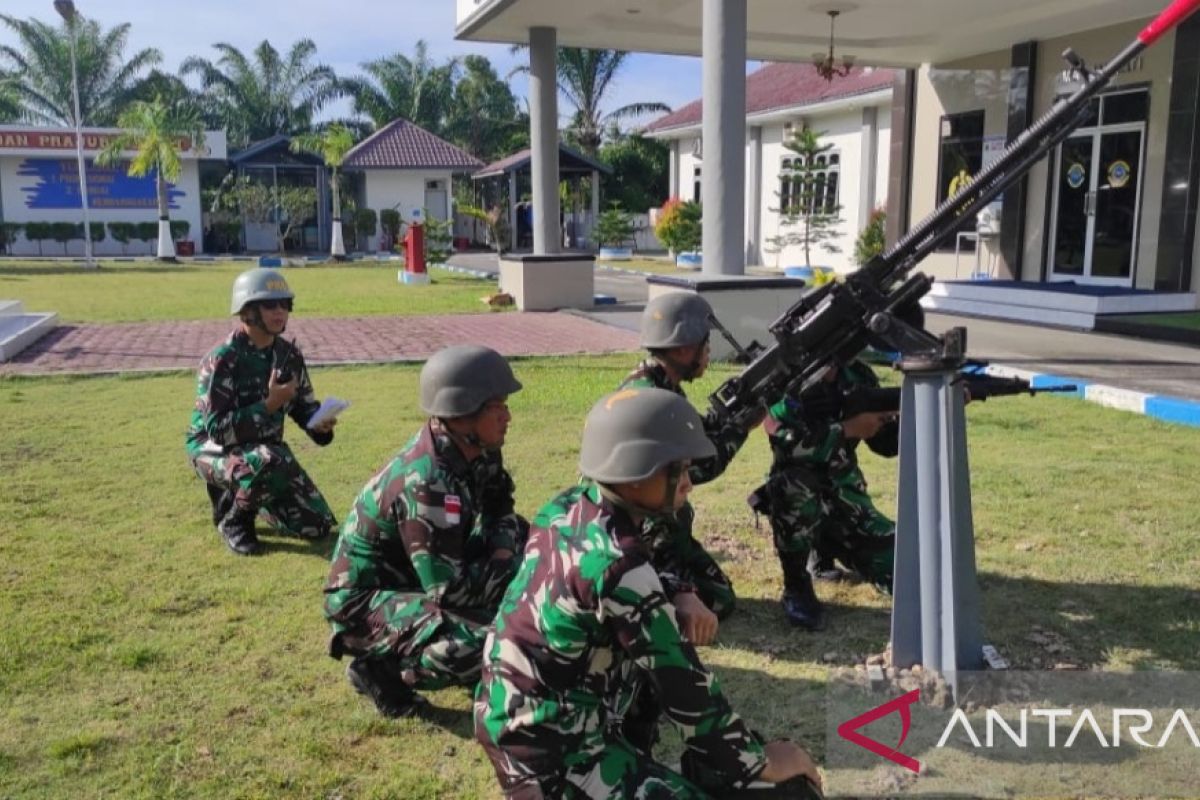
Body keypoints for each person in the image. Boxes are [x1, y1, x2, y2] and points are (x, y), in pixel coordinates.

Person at [475, 387, 821, 799]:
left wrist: (681, 592)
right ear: (636, 473)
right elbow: (685, 689)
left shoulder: (568, 506)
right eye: (678, 470)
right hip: (553, 754)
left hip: (520, 714)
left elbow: (627, 585)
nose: (689, 484)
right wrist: (766, 760)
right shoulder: (620, 567)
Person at [323, 345, 528, 718]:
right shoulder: (426, 481)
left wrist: (503, 556)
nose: (508, 417)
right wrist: (511, 575)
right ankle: (384, 672)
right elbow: (451, 592)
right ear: (464, 413)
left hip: (430, 573)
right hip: (368, 600)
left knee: (528, 542)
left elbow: (502, 510)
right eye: (498, 406)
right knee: (494, 638)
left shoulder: (479, 448)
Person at [617, 292, 760, 620]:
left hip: (656, 518)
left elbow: (692, 428)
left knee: (718, 593)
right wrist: (742, 427)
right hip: (639, 525)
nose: (709, 353)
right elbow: (701, 466)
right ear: (683, 349)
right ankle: (635, 592)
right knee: (716, 600)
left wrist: (727, 412)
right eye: (704, 344)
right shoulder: (653, 399)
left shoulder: (654, 383)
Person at [186, 267, 337, 556]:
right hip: (213, 449)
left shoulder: (288, 355)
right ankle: (234, 521)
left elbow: (303, 406)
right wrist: (268, 405)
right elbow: (218, 429)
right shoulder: (222, 359)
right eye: (269, 305)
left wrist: (318, 424)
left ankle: (250, 494)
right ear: (247, 311)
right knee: (272, 459)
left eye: (285, 304)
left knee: (316, 526)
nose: (280, 312)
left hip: (264, 453)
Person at [749, 355, 899, 632]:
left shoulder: (857, 375)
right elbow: (788, 443)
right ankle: (796, 586)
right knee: (793, 485)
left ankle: (827, 548)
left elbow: (885, 445)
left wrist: (922, 410)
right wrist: (848, 429)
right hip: (798, 495)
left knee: (907, 575)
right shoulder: (787, 378)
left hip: (846, 497)